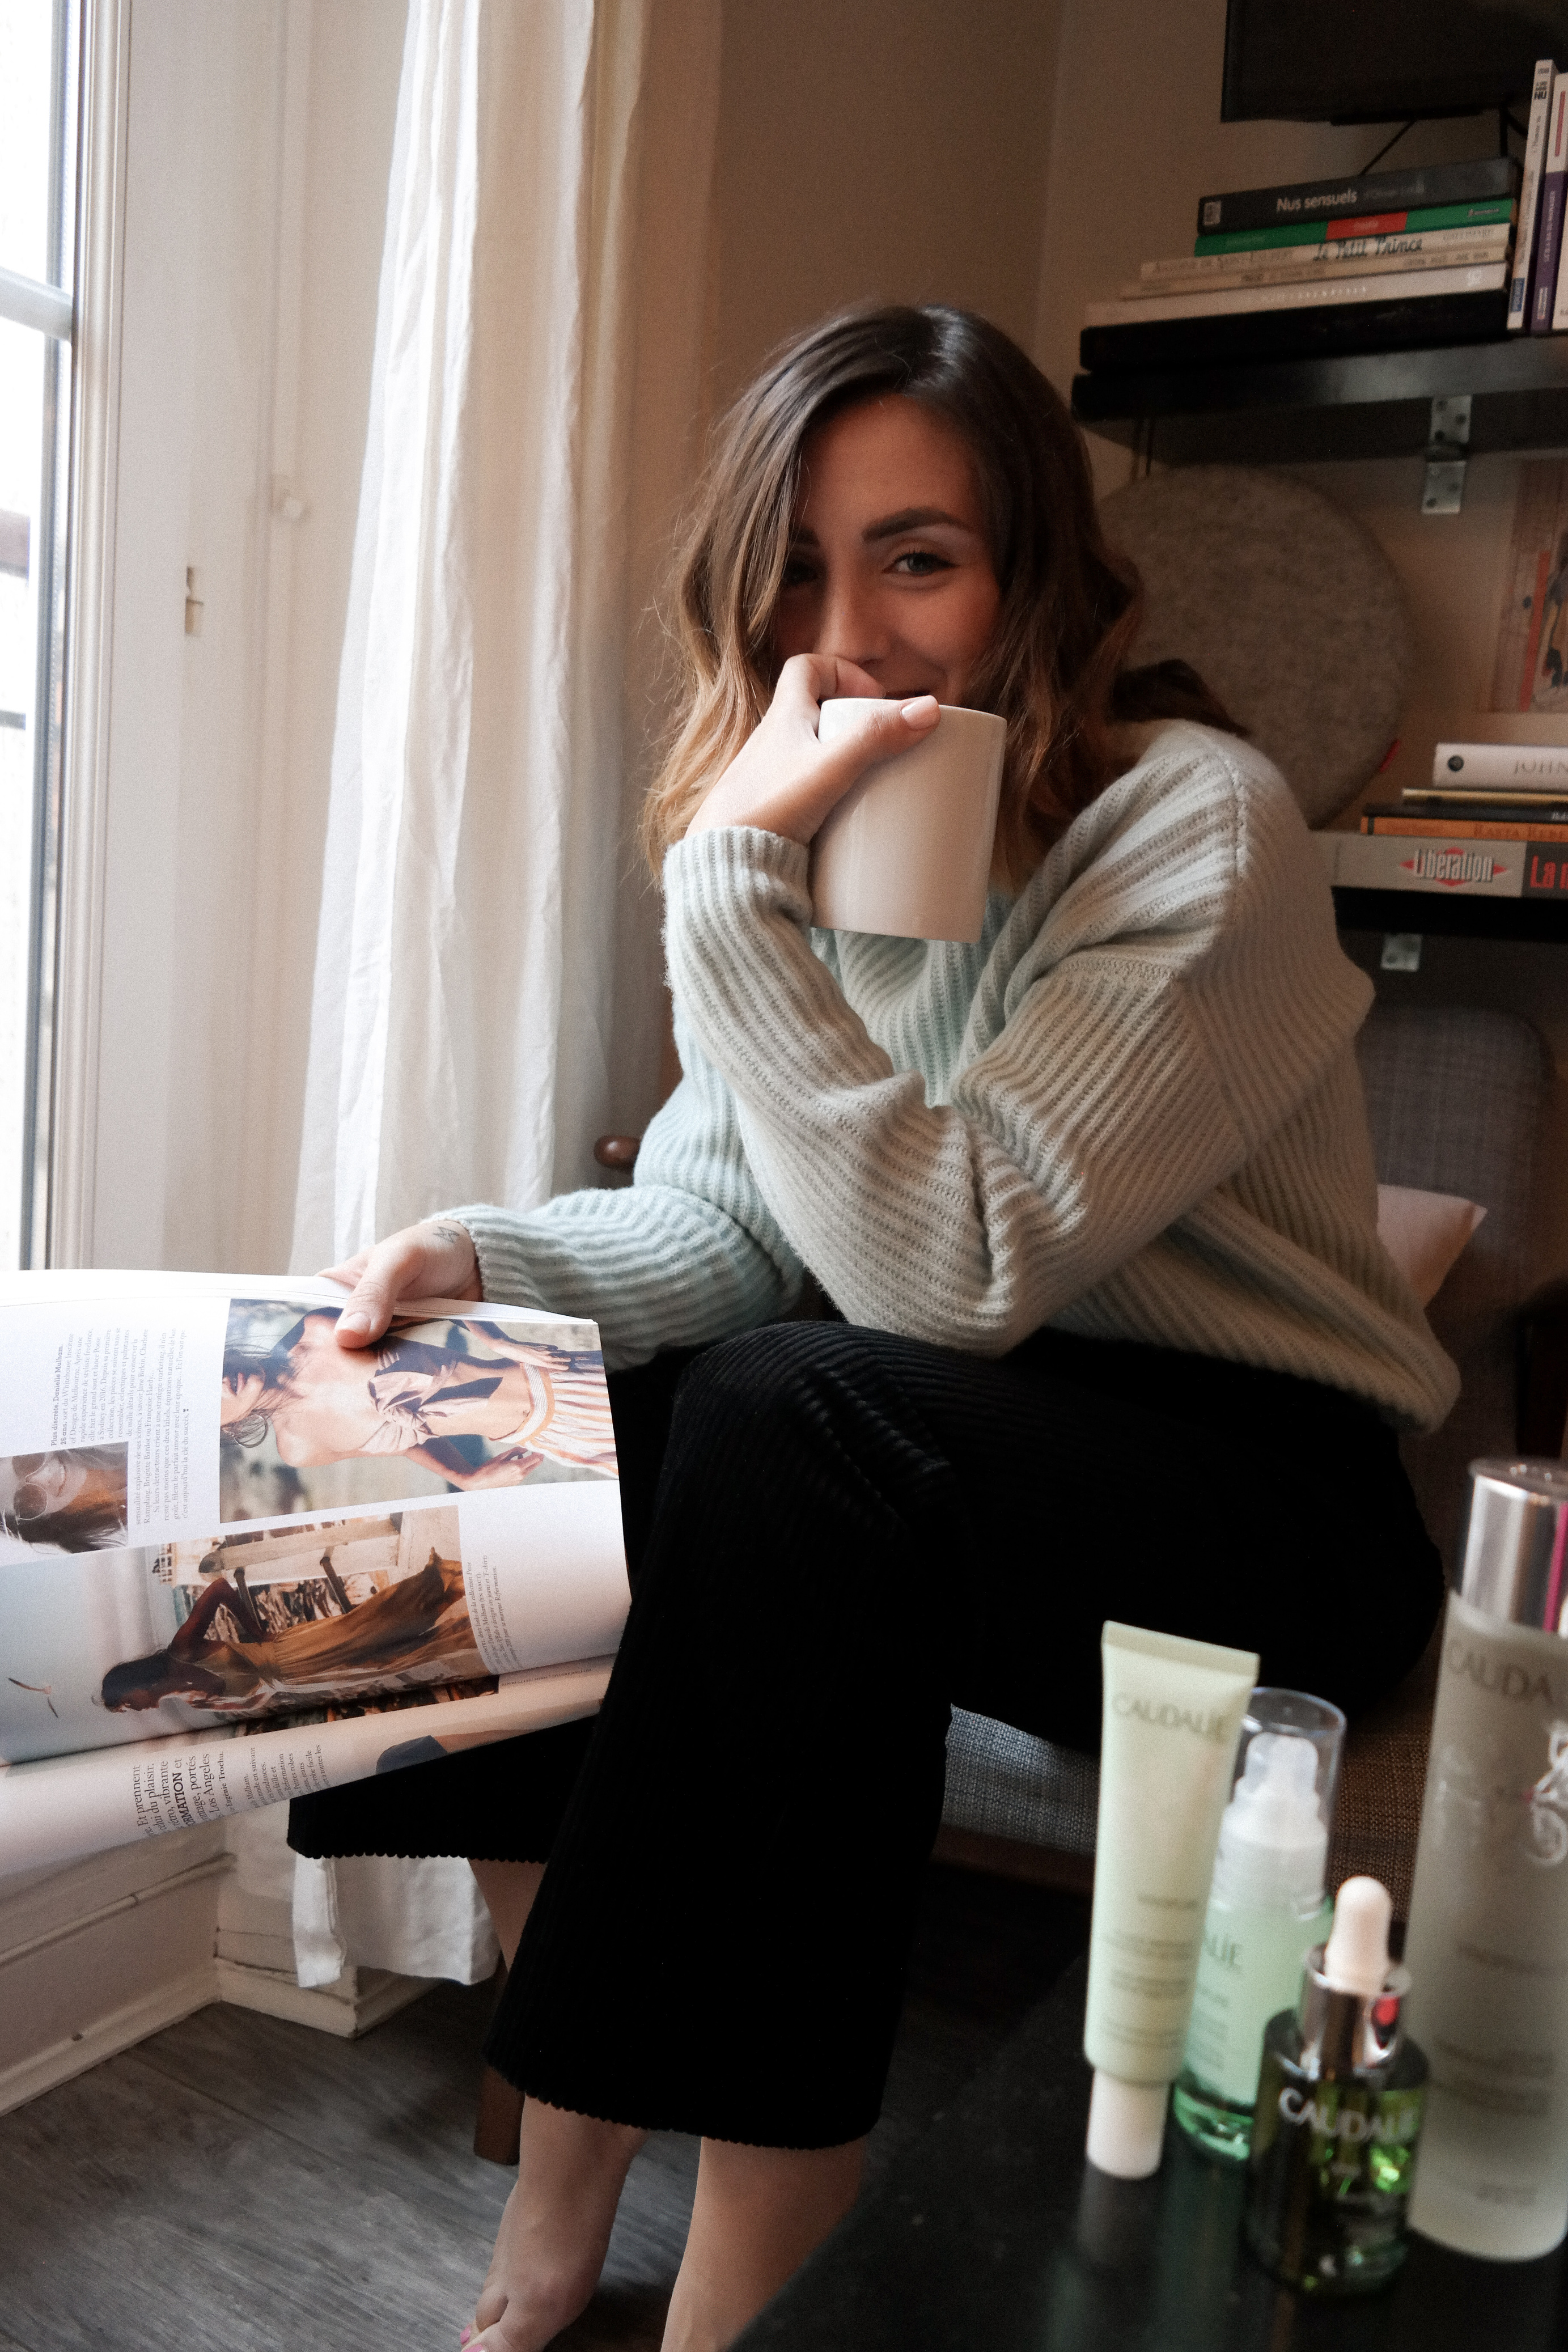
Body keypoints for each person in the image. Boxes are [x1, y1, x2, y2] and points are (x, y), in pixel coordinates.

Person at [287, 306, 1455, 2352]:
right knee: (482, 1418)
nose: (845, 639)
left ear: (1030, 570)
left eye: (916, 558)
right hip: (951, 1444)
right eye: (796, 572)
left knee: (792, 1423)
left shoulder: (1192, 823)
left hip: (1261, 1503)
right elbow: (726, 1223)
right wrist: (476, 1266)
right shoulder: (824, 836)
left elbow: (958, 1266)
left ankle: (758, 2254)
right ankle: (573, 2124)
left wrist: (730, 890)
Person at [219, 1309, 617, 1488]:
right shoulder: (299, 1449)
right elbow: (406, 1443)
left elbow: (443, 1301)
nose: (221, 1382)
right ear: (226, 1428)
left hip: (563, 1384)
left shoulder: (319, 1331)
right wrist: (464, 1478)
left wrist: (498, 1340)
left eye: (210, 1371)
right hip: (552, 1438)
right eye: (209, 1403)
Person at [101, 1548, 486, 1715]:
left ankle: (457, 1579)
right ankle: (470, 1628)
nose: (133, 1709)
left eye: (126, 1702)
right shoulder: (193, 1700)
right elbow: (254, 1701)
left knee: (381, 1626)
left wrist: (256, 1631)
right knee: (389, 1661)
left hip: (292, 1653)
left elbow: (218, 1588)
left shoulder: (182, 1650)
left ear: (133, 1683)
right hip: (298, 1680)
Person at [0, 1444, 129, 1554]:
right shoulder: (115, 1547)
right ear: (42, 1519)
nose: (43, 1478)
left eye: (28, 1462)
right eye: (28, 1499)